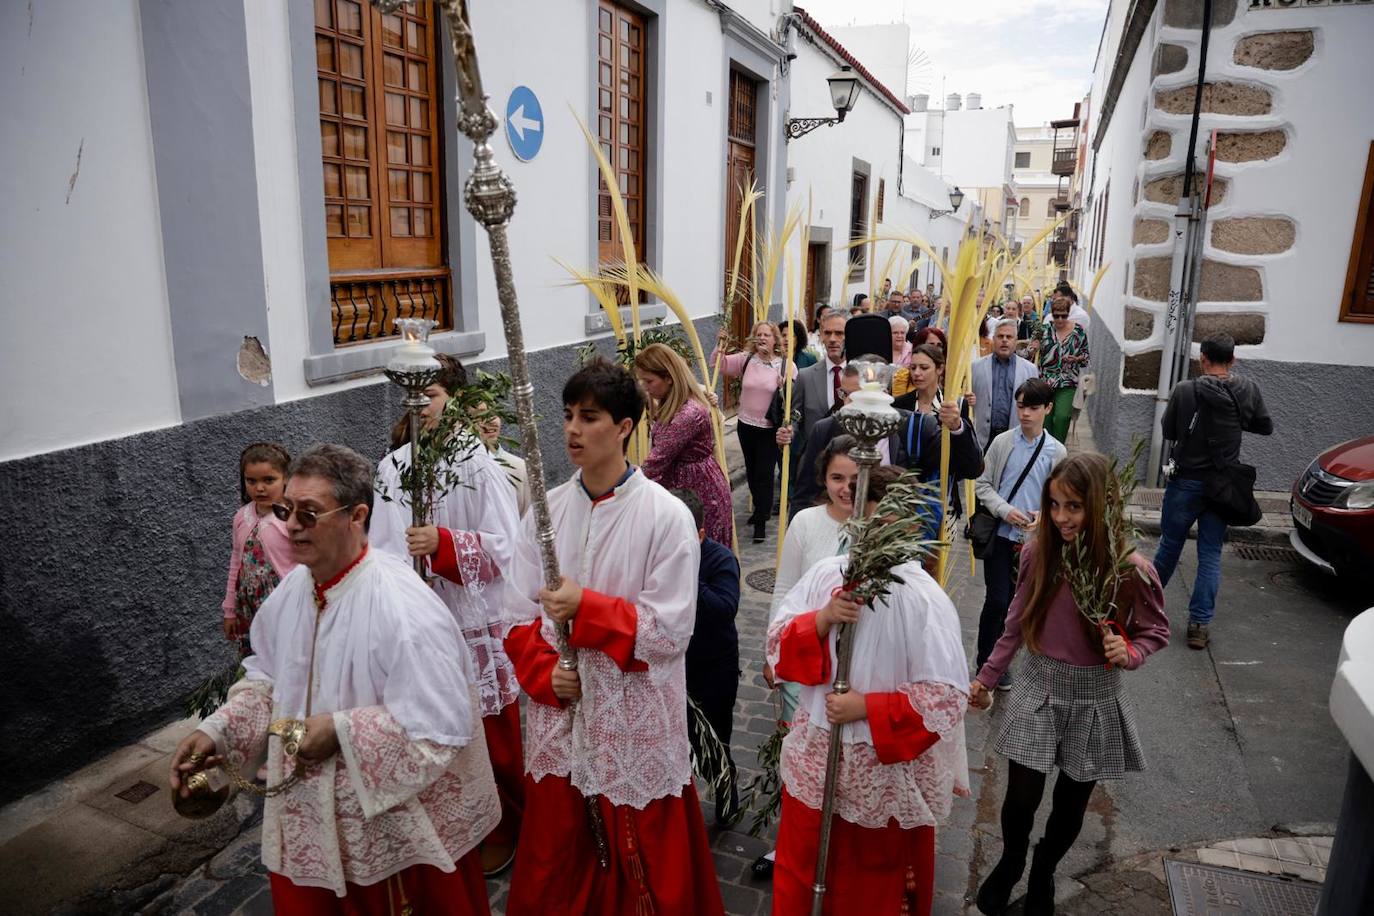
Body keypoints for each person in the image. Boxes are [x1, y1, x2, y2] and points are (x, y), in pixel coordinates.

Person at [171, 444, 500, 913]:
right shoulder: (292, 591)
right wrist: (218, 732)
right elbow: (268, 676)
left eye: (310, 513)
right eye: (287, 510)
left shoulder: (403, 607)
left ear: (357, 515)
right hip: (307, 821)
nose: (291, 525)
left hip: (390, 842)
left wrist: (341, 730)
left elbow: (441, 726)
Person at [501, 359, 724, 916]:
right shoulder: (548, 512)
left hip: (633, 721)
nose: (573, 429)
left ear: (625, 426)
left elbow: (671, 631)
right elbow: (511, 614)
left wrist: (587, 609)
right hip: (564, 719)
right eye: (569, 415)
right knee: (558, 858)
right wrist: (543, 673)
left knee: (644, 865)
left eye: (590, 417)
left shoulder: (666, 517)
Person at [969, 452, 1169, 916]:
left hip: (1094, 697)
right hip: (1039, 686)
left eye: (1073, 506)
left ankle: (1044, 869)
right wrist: (985, 679)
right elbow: (1015, 621)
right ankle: (1012, 860)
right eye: (1055, 504)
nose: (1060, 517)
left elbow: (1155, 631)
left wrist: (1131, 652)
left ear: (1099, 505)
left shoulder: (1131, 568)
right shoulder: (1040, 550)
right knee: (1021, 794)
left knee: (1071, 803)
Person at [769, 465, 970, 916]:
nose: (870, 534)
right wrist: (822, 619)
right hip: (818, 756)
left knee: (867, 887)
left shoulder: (924, 600)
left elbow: (945, 698)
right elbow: (778, 641)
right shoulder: (827, 576)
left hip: (879, 773)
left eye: (883, 524)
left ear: (907, 527)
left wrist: (866, 707)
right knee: (804, 872)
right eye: (865, 522)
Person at [371, 354, 525, 877]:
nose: (420, 406)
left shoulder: (476, 463)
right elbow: (381, 548)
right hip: (419, 622)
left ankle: (504, 822)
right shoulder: (393, 468)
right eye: (413, 396)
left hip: (468, 616)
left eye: (431, 394)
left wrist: (443, 545)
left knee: (490, 733)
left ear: (453, 401)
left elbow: (509, 548)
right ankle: (451, 822)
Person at [1152, 333, 1273, 650]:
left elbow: (1169, 431)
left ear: (1202, 358)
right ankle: (1199, 625)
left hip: (1186, 481)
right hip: (1222, 485)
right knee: (1210, 554)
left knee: (1169, 546)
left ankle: (1145, 608)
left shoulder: (1185, 390)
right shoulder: (1246, 389)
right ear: (1233, 359)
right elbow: (1264, 426)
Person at [972, 379, 1066, 690]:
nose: (1025, 413)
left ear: (1048, 409)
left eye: (1033, 407)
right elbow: (982, 484)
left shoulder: (1056, 451)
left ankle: (1001, 661)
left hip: (1032, 541)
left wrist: (1046, 515)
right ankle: (986, 660)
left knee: (1018, 604)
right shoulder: (1003, 443)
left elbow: (1060, 497)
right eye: (1021, 405)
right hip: (1000, 535)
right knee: (997, 600)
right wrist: (1004, 510)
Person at [672, 488, 742, 827]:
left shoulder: (721, 559)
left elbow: (725, 608)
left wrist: (688, 576)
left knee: (715, 741)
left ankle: (727, 800)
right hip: (675, 667)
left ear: (700, 533)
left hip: (715, 667)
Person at [634, 343, 733, 548]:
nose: (645, 387)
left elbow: (657, 460)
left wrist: (625, 486)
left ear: (669, 378)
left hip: (699, 494)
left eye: (649, 381)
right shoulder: (673, 403)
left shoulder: (688, 415)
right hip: (684, 488)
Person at [715, 321, 790, 543]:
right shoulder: (746, 359)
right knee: (751, 471)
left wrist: (784, 385)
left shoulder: (785, 365)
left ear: (775, 339)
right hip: (746, 425)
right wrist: (721, 344)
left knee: (764, 475)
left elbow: (794, 398)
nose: (762, 338)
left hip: (769, 429)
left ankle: (760, 521)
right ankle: (761, 509)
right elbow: (719, 365)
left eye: (767, 334)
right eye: (758, 334)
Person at [222, 442, 295, 656]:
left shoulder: (292, 519)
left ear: (286, 479)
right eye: (251, 481)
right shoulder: (241, 517)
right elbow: (236, 561)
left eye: (269, 480)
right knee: (258, 659)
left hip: (284, 604)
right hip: (249, 605)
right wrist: (229, 609)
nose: (259, 488)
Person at [775, 308, 848, 471]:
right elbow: (795, 417)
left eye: (839, 333)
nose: (832, 339)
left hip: (851, 465)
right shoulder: (806, 376)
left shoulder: (862, 376)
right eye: (827, 333)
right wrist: (788, 432)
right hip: (815, 465)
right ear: (821, 335)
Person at [971, 320, 1040, 449]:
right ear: (993, 339)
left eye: (1009, 337)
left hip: (1015, 438)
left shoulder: (1029, 370)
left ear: (1015, 340)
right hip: (983, 439)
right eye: (1000, 336)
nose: (1004, 340)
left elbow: (1034, 405)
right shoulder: (976, 367)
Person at [1037, 296, 1090, 445]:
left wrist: (1077, 359)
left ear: (1069, 313)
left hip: (1068, 382)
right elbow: (1028, 353)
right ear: (1051, 314)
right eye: (1056, 315)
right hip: (1045, 382)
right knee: (1045, 418)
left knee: (1062, 416)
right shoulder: (1044, 330)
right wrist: (1032, 348)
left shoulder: (1078, 332)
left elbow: (1086, 358)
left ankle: (1058, 450)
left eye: (1064, 315)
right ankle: (1044, 448)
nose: (1060, 319)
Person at [476, 407, 530, 517]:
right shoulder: (459, 468)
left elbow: (529, 521)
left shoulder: (520, 468)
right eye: (481, 415)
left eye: (495, 414)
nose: (491, 420)